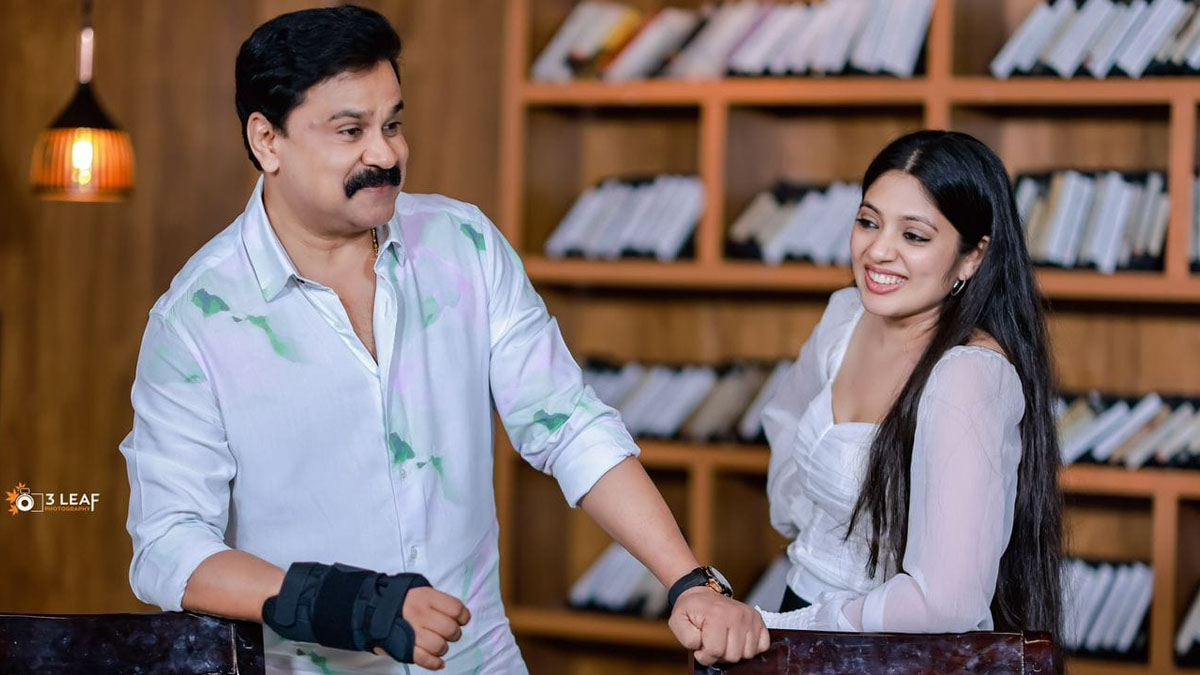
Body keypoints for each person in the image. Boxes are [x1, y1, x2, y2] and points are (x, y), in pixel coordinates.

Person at [118, 6, 766, 674]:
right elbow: (168, 545)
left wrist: (688, 580)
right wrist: (351, 605)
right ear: (267, 140)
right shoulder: (195, 320)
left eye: (393, 124)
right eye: (351, 131)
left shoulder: (465, 246)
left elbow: (568, 423)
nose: (386, 154)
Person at [757, 130, 1062, 639]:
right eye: (868, 222)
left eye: (914, 236)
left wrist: (809, 625)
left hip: (880, 645)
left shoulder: (968, 375)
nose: (878, 251)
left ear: (972, 256)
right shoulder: (845, 316)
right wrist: (812, 531)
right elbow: (783, 419)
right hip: (799, 603)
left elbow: (946, 604)